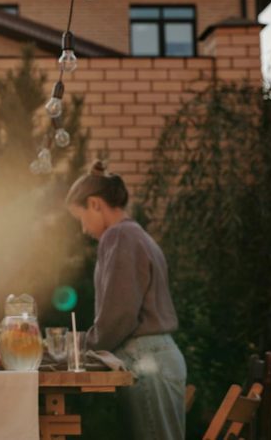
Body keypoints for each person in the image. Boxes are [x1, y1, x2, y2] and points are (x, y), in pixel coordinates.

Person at [65, 161, 186, 440]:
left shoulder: (119, 236)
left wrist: (82, 346)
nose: (83, 229)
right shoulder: (136, 234)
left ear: (95, 204)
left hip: (146, 361)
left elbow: (118, 315)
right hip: (159, 358)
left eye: (81, 218)